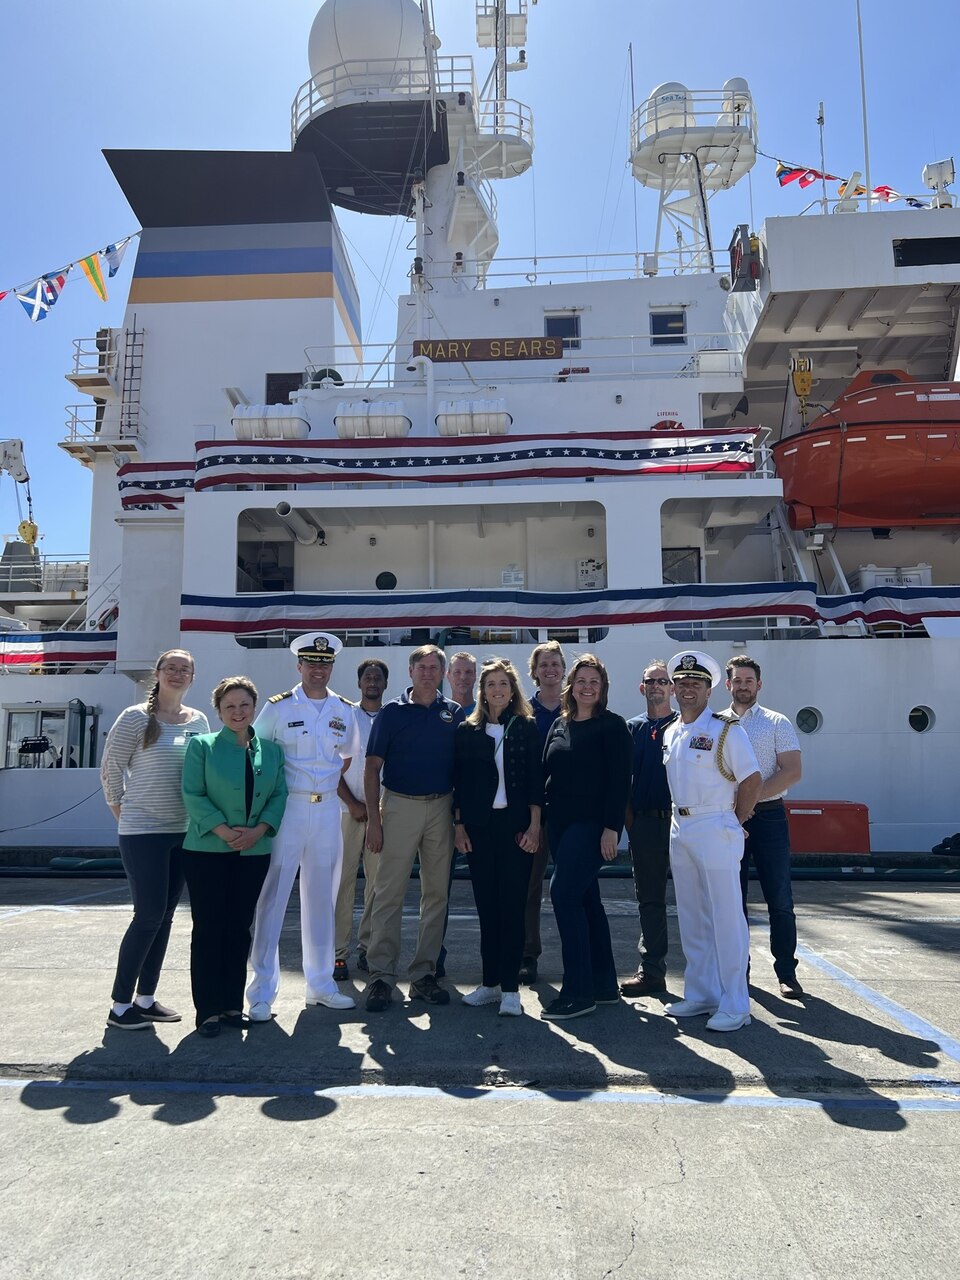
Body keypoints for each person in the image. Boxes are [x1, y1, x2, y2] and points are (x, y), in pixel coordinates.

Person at [246, 632, 361, 1021]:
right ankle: (262, 992)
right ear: (299, 666)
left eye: (324, 663)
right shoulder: (277, 708)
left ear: (332, 667)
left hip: (328, 811)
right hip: (288, 810)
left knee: (322, 900)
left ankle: (321, 985)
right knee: (272, 898)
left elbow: (344, 757)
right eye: (311, 662)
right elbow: (256, 754)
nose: (318, 669)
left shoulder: (344, 710)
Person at [100, 648, 209, 1030]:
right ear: (158, 673)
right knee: (146, 916)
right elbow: (111, 772)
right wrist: (125, 816)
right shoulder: (134, 718)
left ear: (192, 678)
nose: (178, 674)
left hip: (183, 833)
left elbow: (202, 775)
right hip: (143, 834)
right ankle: (119, 1005)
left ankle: (145, 998)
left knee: (164, 917)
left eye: (185, 669)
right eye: (171, 667)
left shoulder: (198, 721)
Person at [181, 677, 287, 1036]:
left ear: (254, 708)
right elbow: (193, 794)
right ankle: (207, 1010)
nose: (238, 712)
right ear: (219, 711)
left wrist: (259, 831)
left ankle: (230, 1005)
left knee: (239, 929)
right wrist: (224, 830)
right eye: (230, 707)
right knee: (210, 928)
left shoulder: (271, 751)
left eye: (244, 705)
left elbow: (279, 795)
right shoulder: (202, 747)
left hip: (253, 851)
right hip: (208, 850)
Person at [662, 651, 761, 1033]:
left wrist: (734, 821)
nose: (688, 689)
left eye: (696, 684)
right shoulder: (672, 731)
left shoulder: (726, 729)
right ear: (674, 688)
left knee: (726, 917)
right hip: (680, 825)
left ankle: (736, 1001)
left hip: (715, 823)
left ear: (708, 689)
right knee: (692, 916)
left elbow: (751, 780)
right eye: (682, 683)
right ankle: (702, 993)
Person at [362, 644, 465, 1012]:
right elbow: (372, 767)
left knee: (436, 894)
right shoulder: (391, 712)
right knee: (388, 893)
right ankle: (380, 976)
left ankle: (423, 975)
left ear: (443, 673)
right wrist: (375, 820)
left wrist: (459, 819)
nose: (427, 672)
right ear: (410, 672)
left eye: (434, 667)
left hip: (440, 807)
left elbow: (461, 771)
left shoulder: (452, 714)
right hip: (399, 805)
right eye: (421, 666)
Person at [541, 654, 632, 1021]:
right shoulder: (560, 725)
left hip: (592, 825)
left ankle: (578, 992)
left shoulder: (613, 726)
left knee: (562, 895)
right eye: (581, 680)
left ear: (603, 687)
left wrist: (612, 828)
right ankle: (604, 984)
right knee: (586, 900)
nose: (587, 686)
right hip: (560, 827)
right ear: (571, 685)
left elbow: (619, 781)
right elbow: (547, 771)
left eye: (594, 681)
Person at [453, 658, 544, 1017]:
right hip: (479, 829)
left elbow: (537, 781)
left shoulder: (526, 728)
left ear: (512, 690)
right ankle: (489, 983)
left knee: (512, 907)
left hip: (516, 828)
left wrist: (535, 827)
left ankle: (510, 989)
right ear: (482, 691)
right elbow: (459, 782)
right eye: (491, 684)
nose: (497, 690)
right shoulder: (466, 731)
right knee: (486, 907)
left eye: (503, 684)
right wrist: (459, 826)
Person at [726, 655, 804, 999]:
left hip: (769, 818)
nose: (743, 685)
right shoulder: (715, 724)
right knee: (732, 900)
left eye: (749, 680)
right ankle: (737, 971)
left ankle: (786, 972)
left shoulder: (777, 723)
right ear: (728, 685)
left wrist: (749, 802)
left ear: (759, 684)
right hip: (728, 819)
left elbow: (791, 772)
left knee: (780, 899)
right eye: (737, 680)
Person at [619, 659, 678, 998]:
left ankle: (718, 971)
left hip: (684, 822)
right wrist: (631, 822)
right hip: (646, 824)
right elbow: (621, 780)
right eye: (650, 681)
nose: (656, 686)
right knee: (650, 901)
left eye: (662, 681)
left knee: (698, 900)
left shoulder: (685, 724)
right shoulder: (632, 729)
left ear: (671, 688)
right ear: (642, 688)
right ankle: (653, 970)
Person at [333, 658, 388, 980]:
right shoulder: (343, 716)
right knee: (342, 885)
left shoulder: (393, 717)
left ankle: (368, 947)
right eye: (367, 676)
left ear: (384, 683)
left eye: (377, 677)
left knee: (378, 885)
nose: (372, 682)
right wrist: (352, 802)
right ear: (359, 683)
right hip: (346, 812)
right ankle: (339, 952)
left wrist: (378, 808)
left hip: (382, 814)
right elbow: (330, 764)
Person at [519, 640, 565, 984]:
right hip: (532, 811)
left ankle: (579, 956)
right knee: (529, 887)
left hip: (570, 811)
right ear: (534, 672)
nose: (550, 670)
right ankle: (527, 954)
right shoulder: (524, 711)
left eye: (555, 664)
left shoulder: (577, 707)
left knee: (573, 887)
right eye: (544, 665)